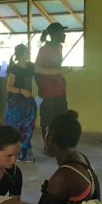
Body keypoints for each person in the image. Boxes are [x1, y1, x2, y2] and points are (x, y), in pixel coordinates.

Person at [38, 110, 100, 204]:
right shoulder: (81, 157)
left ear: (51, 139)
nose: (44, 137)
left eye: (46, 133)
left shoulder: (63, 177)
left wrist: (50, 191)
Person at [34, 22, 70, 155]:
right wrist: (44, 88)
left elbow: (55, 68)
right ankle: (47, 147)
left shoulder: (59, 47)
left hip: (60, 90)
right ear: (54, 34)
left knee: (60, 119)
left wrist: (59, 74)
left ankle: (56, 145)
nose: (65, 34)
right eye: (62, 32)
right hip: (48, 92)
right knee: (47, 120)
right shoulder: (44, 50)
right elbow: (37, 70)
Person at [4, 44, 37, 163]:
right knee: (14, 129)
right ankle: (15, 153)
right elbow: (9, 87)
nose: (29, 53)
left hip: (28, 103)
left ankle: (25, 151)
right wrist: (21, 91)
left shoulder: (31, 66)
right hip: (15, 104)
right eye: (27, 51)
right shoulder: (14, 69)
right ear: (22, 54)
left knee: (28, 127)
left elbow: (43, 70)